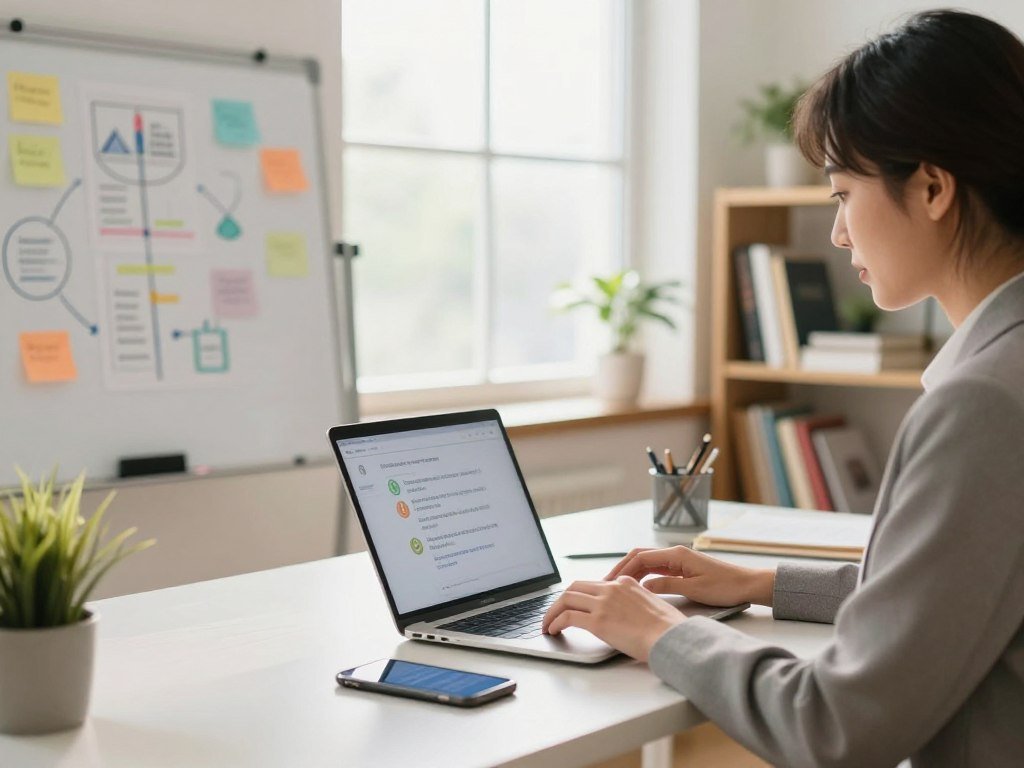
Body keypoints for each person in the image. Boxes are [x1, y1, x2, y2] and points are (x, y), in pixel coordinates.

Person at [541, 9, 1024, 767]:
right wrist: (760, 581)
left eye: (840, 194)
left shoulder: (986, 404)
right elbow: (957, 592)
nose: (837, 233)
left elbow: (834, 725)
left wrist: (661, 631)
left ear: (932, 187)